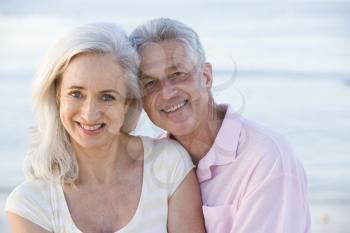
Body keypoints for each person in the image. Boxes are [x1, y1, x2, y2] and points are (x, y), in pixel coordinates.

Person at [5, 22, 205, 233]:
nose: (89, 113)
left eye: (107, 97)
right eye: (76, 94)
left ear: (126, 103)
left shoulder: (168, 164)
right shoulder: (30, 204)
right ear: (57, 95)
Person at [130, 18, 311, 233]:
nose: (167, 92)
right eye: (150, 83)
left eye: (177, 74)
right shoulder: (153, 164)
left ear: (206, 76)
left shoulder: (266, 157)